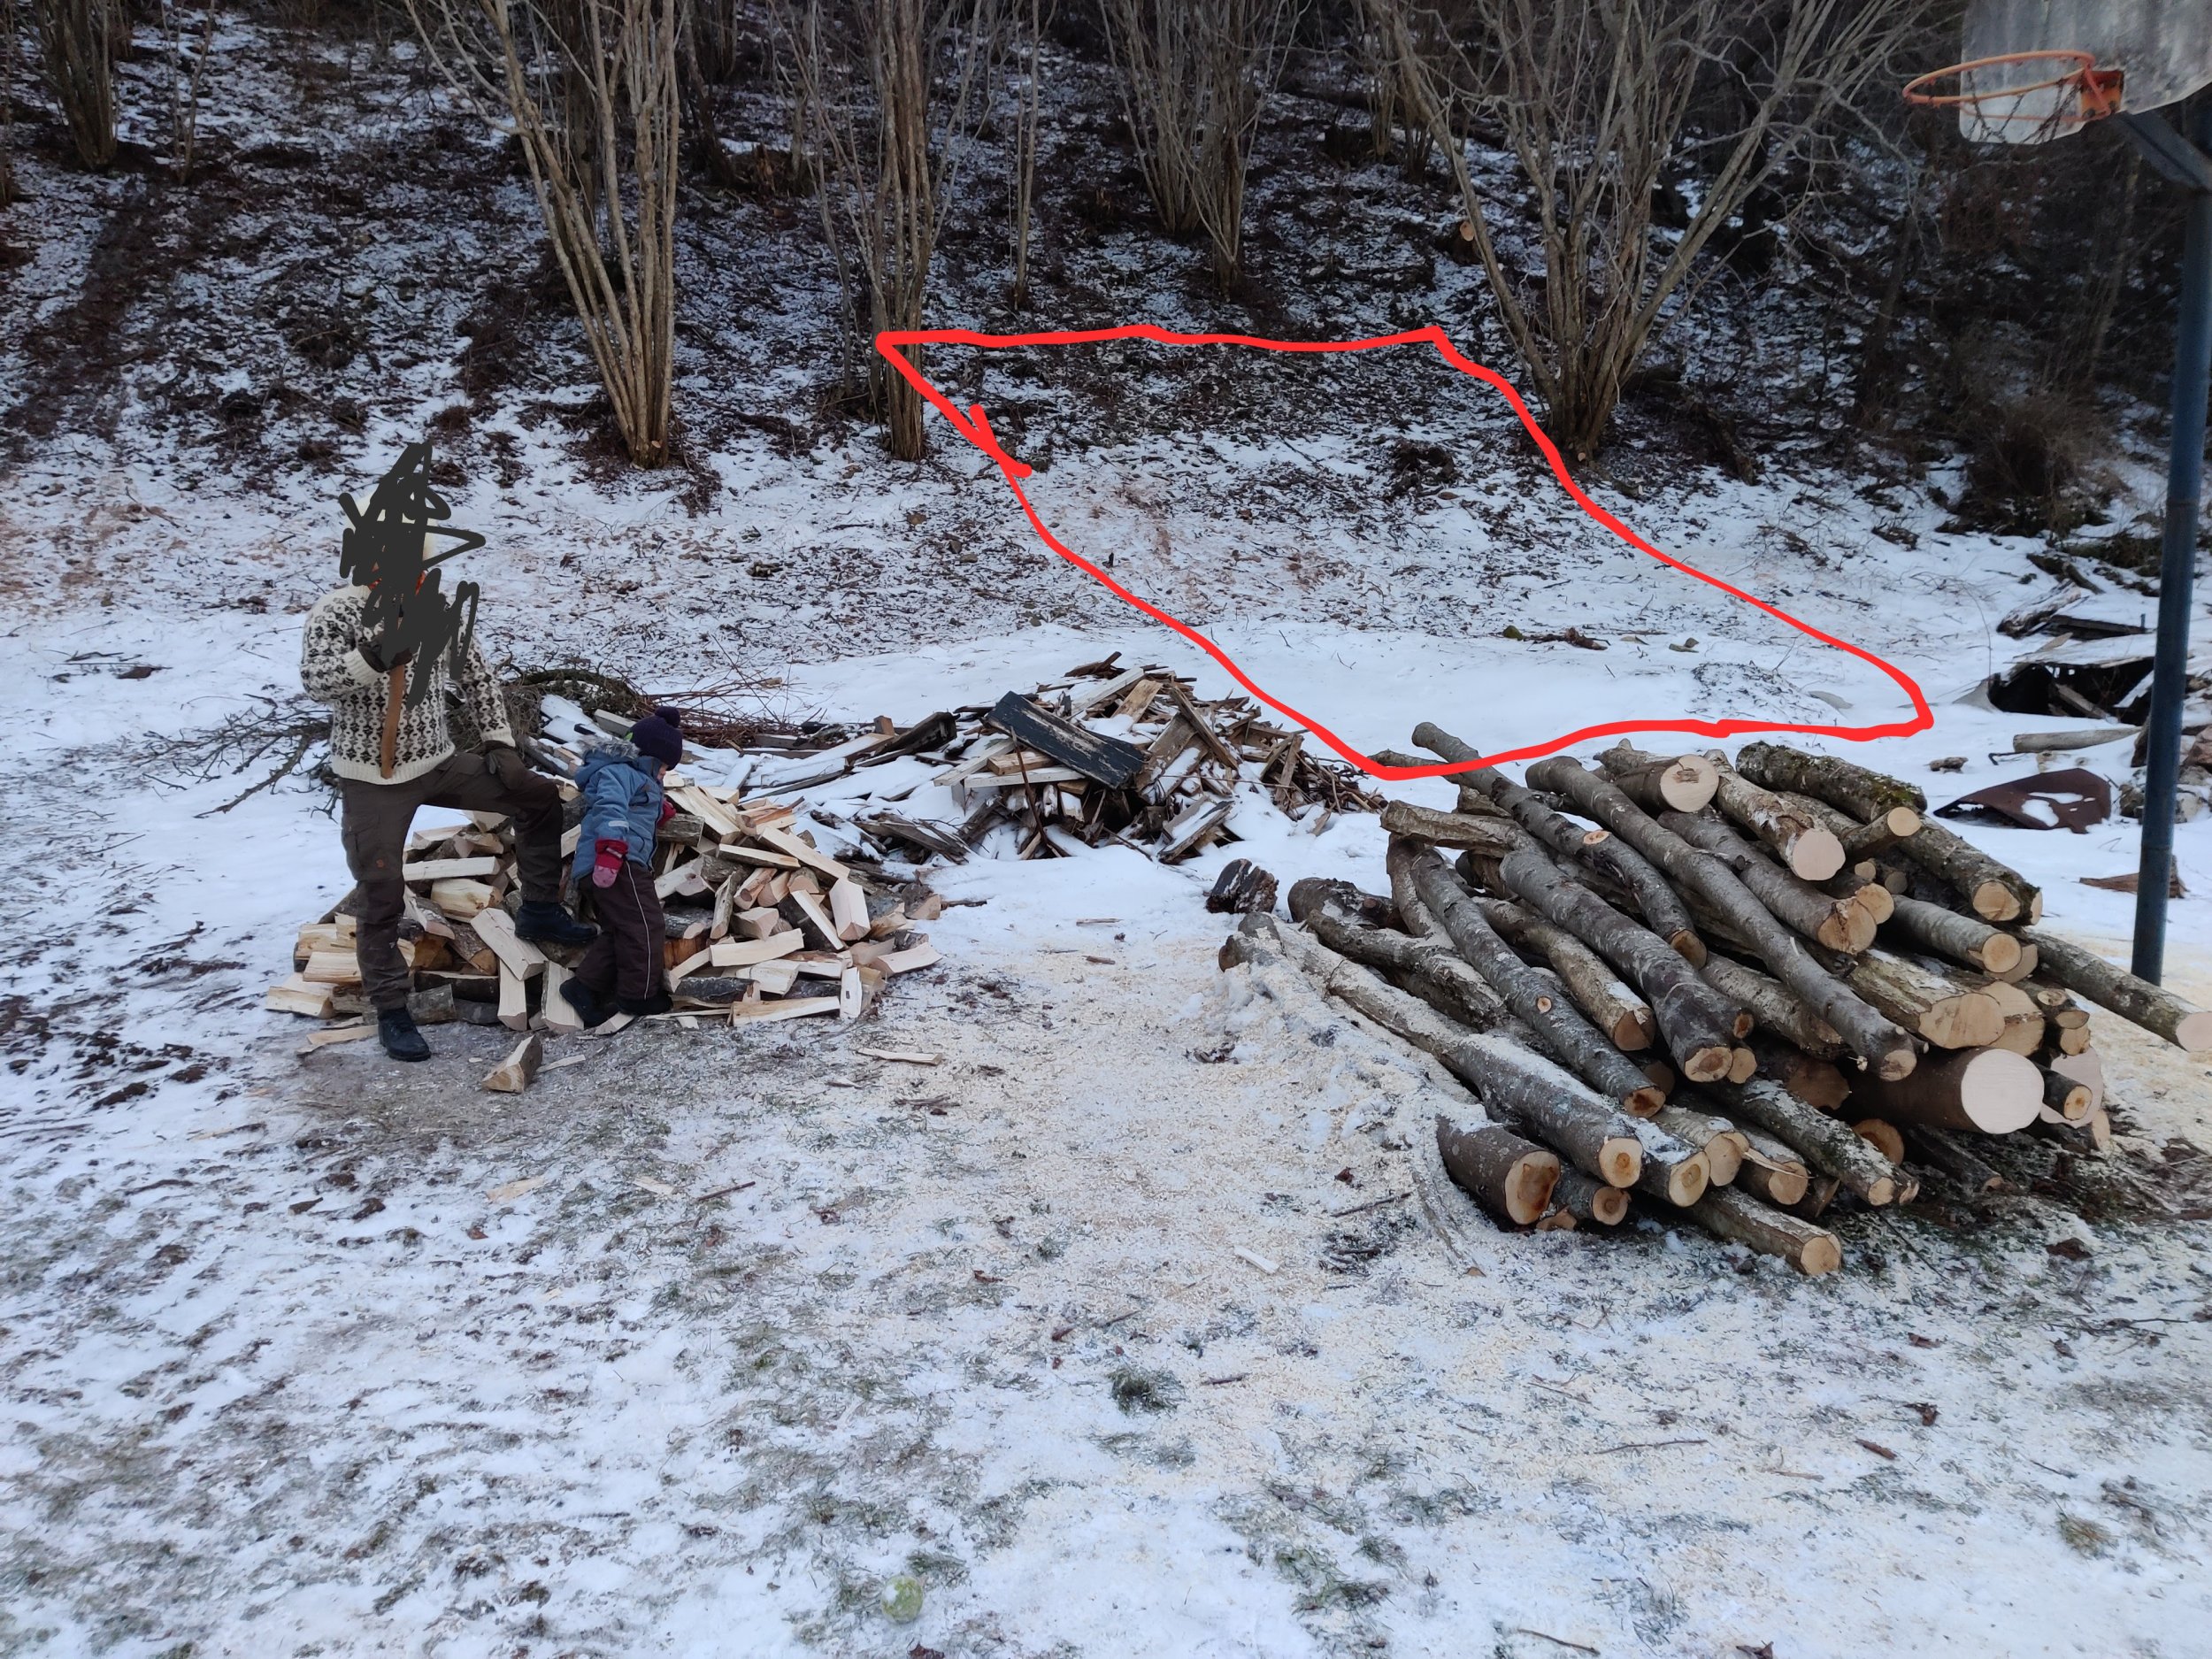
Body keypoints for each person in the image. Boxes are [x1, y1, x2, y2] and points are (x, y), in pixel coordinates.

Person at [300, 564, 595, 1063]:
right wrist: (370, 658)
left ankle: (540, 909)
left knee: (537, 796)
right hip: (373, 775)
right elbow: (316, 681)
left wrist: (498, 742)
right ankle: (391, 1007)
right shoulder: (339, 610)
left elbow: (478, 677)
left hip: (437, 762)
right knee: (380, 888)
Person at [560, 709, 686, 1028]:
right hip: (618, 861)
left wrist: (658, 808)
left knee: (620, 929)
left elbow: (634, 806)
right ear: (650, 757)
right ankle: (637, 995)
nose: (664, 775)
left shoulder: (637, 779)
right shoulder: (619, 773)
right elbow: (611, 808)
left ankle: (583, 987)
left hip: (612, 862)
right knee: (647, 925)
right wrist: (612, 851)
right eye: (664, 767)